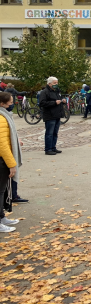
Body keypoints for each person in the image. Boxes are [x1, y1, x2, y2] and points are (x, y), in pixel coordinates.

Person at [0, 92, 22, 232]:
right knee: (0, 191)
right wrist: (11, 164)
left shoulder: (5, 116)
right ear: (2, 104)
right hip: (2, 161)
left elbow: (7, 137)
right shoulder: (2, 118)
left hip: (3, 160)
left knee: (2, 190)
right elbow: (2, 144)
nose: (12, 104)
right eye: (10, 103)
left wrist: (16, 142)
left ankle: (2, 217)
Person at [38, 76, 66, 156]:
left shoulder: (57, 91)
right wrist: (54, 103)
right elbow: (42, 103)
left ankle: (53, 147)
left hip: (57, 114)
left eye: (57, 83)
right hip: (49, 115)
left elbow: (59, 99)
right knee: (49, 133)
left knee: (55, 132)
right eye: (54, 83)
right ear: (49, 84)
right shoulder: (45, 92)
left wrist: (62, 101)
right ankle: (48, 149)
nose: (56, 84)